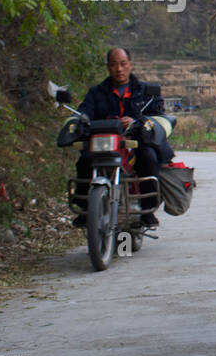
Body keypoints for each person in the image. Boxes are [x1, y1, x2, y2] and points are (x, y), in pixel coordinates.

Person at [72, 48, 172, 229]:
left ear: (130, 65)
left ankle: (147, 210)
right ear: (108, 67)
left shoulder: (146, 93)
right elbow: (84, 111)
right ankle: (85, 209)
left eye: (123, 63)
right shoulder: (96, 92)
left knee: (148, 157)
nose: (119, 69)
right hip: (104, 142)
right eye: (114, 64)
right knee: (85, 160)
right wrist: (82, 120)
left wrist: (137, 121)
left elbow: (157, 115)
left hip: (136, 142)